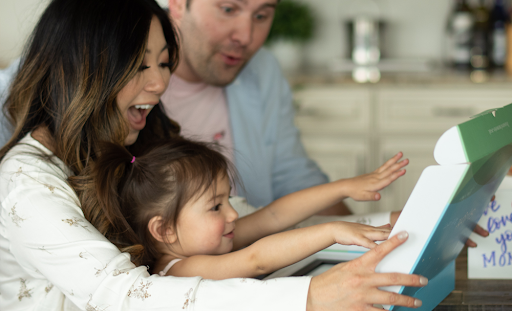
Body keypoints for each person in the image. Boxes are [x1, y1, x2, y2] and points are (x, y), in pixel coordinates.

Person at [0, 0, 427, 310]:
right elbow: (123, 296)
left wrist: (389, 228)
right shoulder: (27, 182)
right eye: (139, 65)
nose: (158, 84)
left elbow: (250, 221)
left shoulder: (129, 148)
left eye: (164, 64)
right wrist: (313, 296)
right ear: (83, 68)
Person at [91, 139, 410, 278]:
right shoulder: (178, 271)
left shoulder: (209, 242)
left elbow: (274, 215)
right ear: (164, 229)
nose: (232, 214)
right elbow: (256, 260)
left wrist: (343, 187)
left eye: (228, 199)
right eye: (215, 206)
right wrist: (331, 230)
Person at [160, 0, 356, 216]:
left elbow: (292, 176)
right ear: (177, 4)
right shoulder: (123, 71)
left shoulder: (263, 68)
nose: (246, 37)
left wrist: (368, 232)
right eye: (228, 9)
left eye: (261, 16)